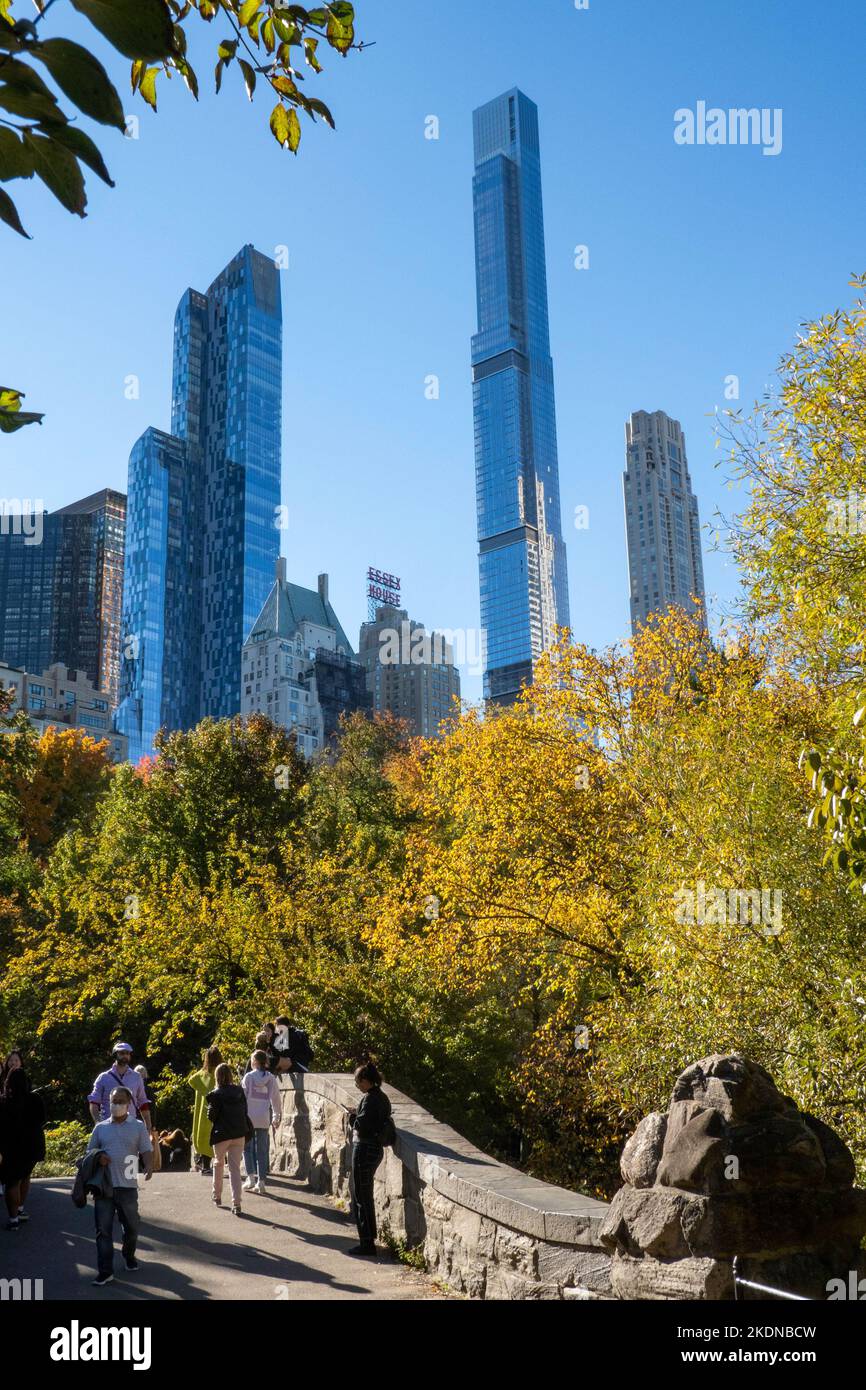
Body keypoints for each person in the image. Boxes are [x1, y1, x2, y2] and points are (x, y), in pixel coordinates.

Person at [86, 1084, 153, 1286]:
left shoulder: (137, 1126)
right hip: (104, 1187)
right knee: (103, 1231)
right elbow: (89, 1153)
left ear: (129, 1104)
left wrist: (149, 1165)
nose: (116, 1105)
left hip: (128, 1185)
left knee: (131, 1227)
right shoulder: (101, 1127)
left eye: (120, 1102)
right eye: (113, 1101)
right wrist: (99, 1157)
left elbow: (146, 1149)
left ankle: (129, 1255)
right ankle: (105, 1271)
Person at [346, 1062, 392, 1257]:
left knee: (360, 1195)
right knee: (364, 1193)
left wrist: (351, 1117)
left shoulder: (370, 1099)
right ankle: (368, 1238)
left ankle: (366, 1243)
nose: (358, 1086)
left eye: (358, 1083)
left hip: (364, 1148)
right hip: (374, 1149)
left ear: (366, 1081)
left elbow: (361, 1125)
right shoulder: (382, 1098)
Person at [0, 1069, 46, 1230]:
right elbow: (42, 1119)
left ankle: (13, 1219)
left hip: (12, 1147)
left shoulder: (4, 1101)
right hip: (33, 1146)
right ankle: (20, 1209)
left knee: (12, 1182)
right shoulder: (35, 1098)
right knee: (25, 1176)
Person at [206, 1063, 249, 1216]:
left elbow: (211, 1116)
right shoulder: (239, 1091)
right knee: (235, 1169)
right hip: (238, 1133)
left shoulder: (215, 1094)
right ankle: (236, 1203)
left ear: (217, 1077)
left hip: (221, 1134)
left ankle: (217, 1195)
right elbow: (245, 1110)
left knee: (218, 1164)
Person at [241, 1050, 281, 1194]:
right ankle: (261, 1182)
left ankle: (251, 1178)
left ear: (255, 1062)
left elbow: (243, 1098)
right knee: (262, 1151)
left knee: (247, 1149)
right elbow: (276, 1099)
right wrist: (276, 1116)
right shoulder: (270, 1078)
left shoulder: (248, 1077)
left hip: (249, 1118)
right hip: (264, 1117)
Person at [88, 1043, 152, 1131]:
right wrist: (98, 1123)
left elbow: (143, 1103)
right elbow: (94, 1103)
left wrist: (148, 1127)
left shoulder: (136, 1077)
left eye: (127, 1053)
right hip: (108, 1126)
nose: (125, 1056)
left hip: (130, 1126)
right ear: (115, 1055)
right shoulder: (103, 1077)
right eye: (122, 1053)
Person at [188, 1046, 222, 1175]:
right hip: (217, 1111)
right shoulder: (219, 1074)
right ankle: (213, 1166)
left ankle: (205, 1166)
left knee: (203, 1137)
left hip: (203, 1112)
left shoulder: (202, 1074)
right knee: (215, 1137)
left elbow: (191, 1080)